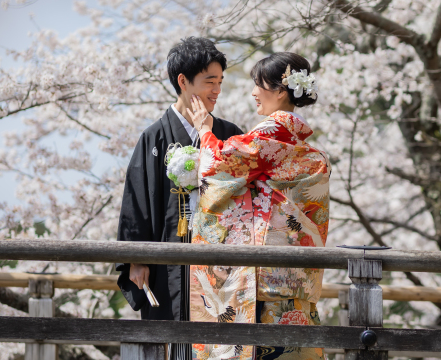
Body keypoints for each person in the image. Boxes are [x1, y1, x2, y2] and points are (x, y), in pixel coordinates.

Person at [186, 52, 330, 360]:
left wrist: (203, 131)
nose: (253, 93)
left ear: (280, 91)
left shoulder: (270, 133)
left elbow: (220, 166)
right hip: (296, 272)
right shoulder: (305, 146)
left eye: (258, 84)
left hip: (265, 275)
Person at [116, 37, 244, 360]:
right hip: (167, 266)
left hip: (219, 267)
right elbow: (136, 201)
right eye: (209, 82)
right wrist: (136, 258)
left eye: (220, 82)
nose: (216, 90)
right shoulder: (154, 138)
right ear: (183, 82)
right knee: (168, 343)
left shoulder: (228, 135)